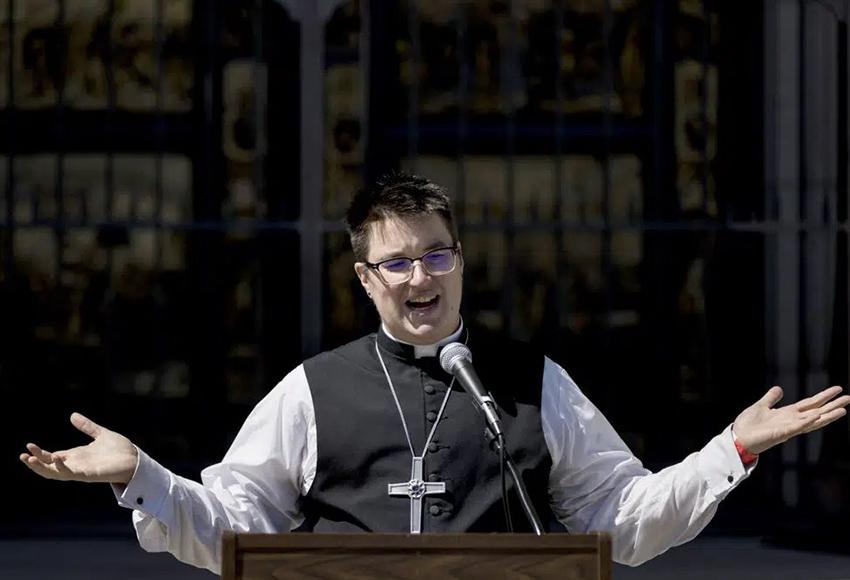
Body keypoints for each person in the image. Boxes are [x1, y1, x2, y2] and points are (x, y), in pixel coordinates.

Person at [20, 173, 850, 574]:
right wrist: (143, 477)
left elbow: (624, 521)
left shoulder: (532, 383)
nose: (422, 278)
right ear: (364, 278)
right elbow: (235, 524)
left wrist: (730, 451)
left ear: (461, 261)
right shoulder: (312, 388)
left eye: (438, 255)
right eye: (399, 262)